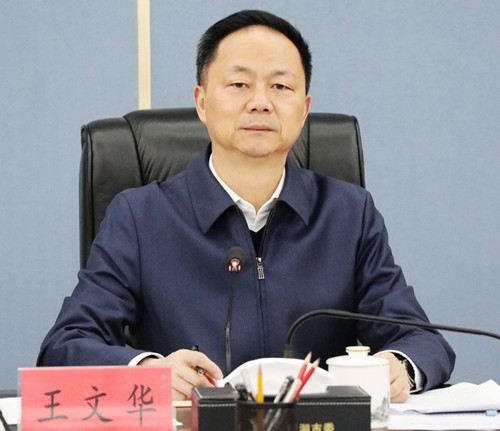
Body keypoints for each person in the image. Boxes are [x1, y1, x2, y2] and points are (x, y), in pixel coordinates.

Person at [37, 10, 455, 402]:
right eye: (239, 84)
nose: (260, 102)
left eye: (281, 87)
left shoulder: (349, 214)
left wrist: (399, 366)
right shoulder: (140, 217)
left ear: (304, 110)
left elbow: (422, 341)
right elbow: (65, 347)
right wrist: (150, 372)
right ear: (202, 102)